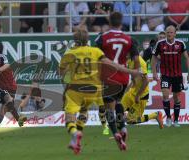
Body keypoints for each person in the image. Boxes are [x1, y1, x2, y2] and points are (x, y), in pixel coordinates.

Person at [59, 29, 141, 154]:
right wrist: (132, 72)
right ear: (88, 40)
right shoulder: (95, 51)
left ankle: (75, 134)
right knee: (84, 110)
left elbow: (62, 75)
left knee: (69, 118)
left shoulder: (68, 54)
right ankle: (77, 141)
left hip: (76, 89)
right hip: (93, 90)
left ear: (74, 41)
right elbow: (114, 65)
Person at [95, 11, 140, 148]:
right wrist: (134, 74)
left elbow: (96, 58)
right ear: (121, 22)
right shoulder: (129, 39)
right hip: (124, 76)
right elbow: (136, 59)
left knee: (109, 108)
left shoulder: (102, 38)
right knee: (119, 101)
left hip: (108, 77)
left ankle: (115, 133)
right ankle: (124, 128)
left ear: (109, 22)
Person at [151, 25, 189, 127]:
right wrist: (154, 72)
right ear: (166, 33)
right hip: (165, 74)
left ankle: (176, 120)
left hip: (177, 75)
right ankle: (168, 118)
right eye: (168, 32)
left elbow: (186, 57)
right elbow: (154, 58)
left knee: (176, 98)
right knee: (165, 94)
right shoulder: (160, 44)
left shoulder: (180, 44)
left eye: (171, 32)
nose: (169, 34)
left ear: (175, 34)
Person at [121, 55, 163, 128]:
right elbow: (134, 78)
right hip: (132, 92)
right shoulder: (129, 60)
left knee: (130, 120)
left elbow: (146, 80)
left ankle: (155, 115)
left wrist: (138, 95)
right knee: (119, 109)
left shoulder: (140, 62)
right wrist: (127, 89)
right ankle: (120, 133)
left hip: (141, 96)